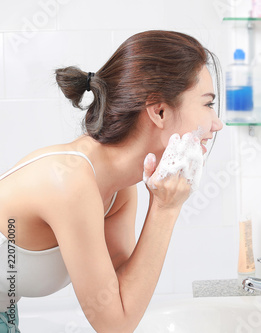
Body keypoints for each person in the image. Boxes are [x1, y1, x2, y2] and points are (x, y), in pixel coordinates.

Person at [0, 30, 223, 332]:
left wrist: (165, 205)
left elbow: (123, 295)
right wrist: (165, 210)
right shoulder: (70, 181)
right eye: (207, 104)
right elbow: (113, 325)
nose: (217, 123)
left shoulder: (118, 189)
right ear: (159, 111)